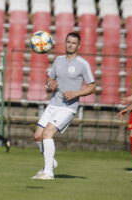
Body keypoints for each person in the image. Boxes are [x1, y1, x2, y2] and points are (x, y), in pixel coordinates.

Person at [32, 32, 96, 180]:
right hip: (53, 104)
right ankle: (51, 162)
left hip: (68, 108)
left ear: (78, 46)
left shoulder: (82, 64)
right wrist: (50, 83)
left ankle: (48, 172)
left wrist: (76, 94)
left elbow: (92, 86)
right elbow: (49, 78)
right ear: (65, 43)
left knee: (47, 133)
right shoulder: (58, 60)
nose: (70, 45)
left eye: (73, 43)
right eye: (68, 42)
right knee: (37, 136)